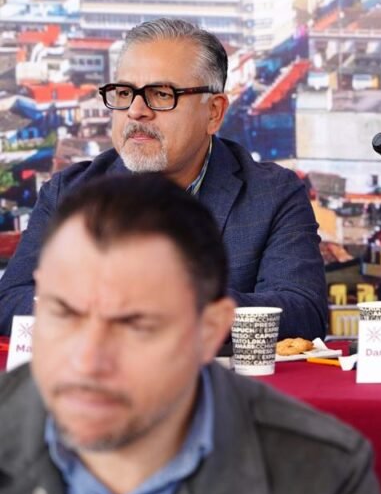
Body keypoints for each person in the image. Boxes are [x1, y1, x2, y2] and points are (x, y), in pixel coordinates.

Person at [0, 174, 381, 494]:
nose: (86, 360)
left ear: (210, 330)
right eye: (62, 313)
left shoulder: (320, 473)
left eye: (135, 324)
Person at [0, 18, 328, 340]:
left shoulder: (273, 195)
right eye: (124, 92)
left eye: (160, 94)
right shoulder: (69, 194)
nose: (136, 111)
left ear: (214, 112)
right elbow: (11, 300)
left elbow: (302, 310)